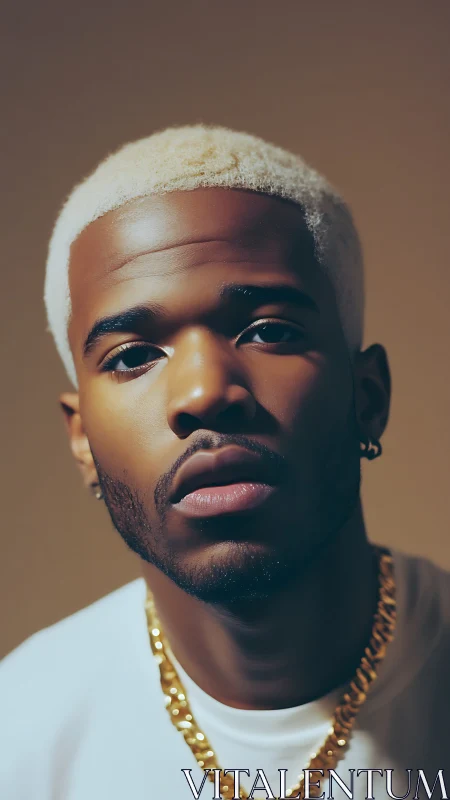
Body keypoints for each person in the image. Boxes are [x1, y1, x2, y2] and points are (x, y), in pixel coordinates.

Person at [0, 125, 449, 800]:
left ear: (368, 397)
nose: (205, 392)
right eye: (133, 356)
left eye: (269, 330)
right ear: (82, 441)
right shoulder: (20, 735)